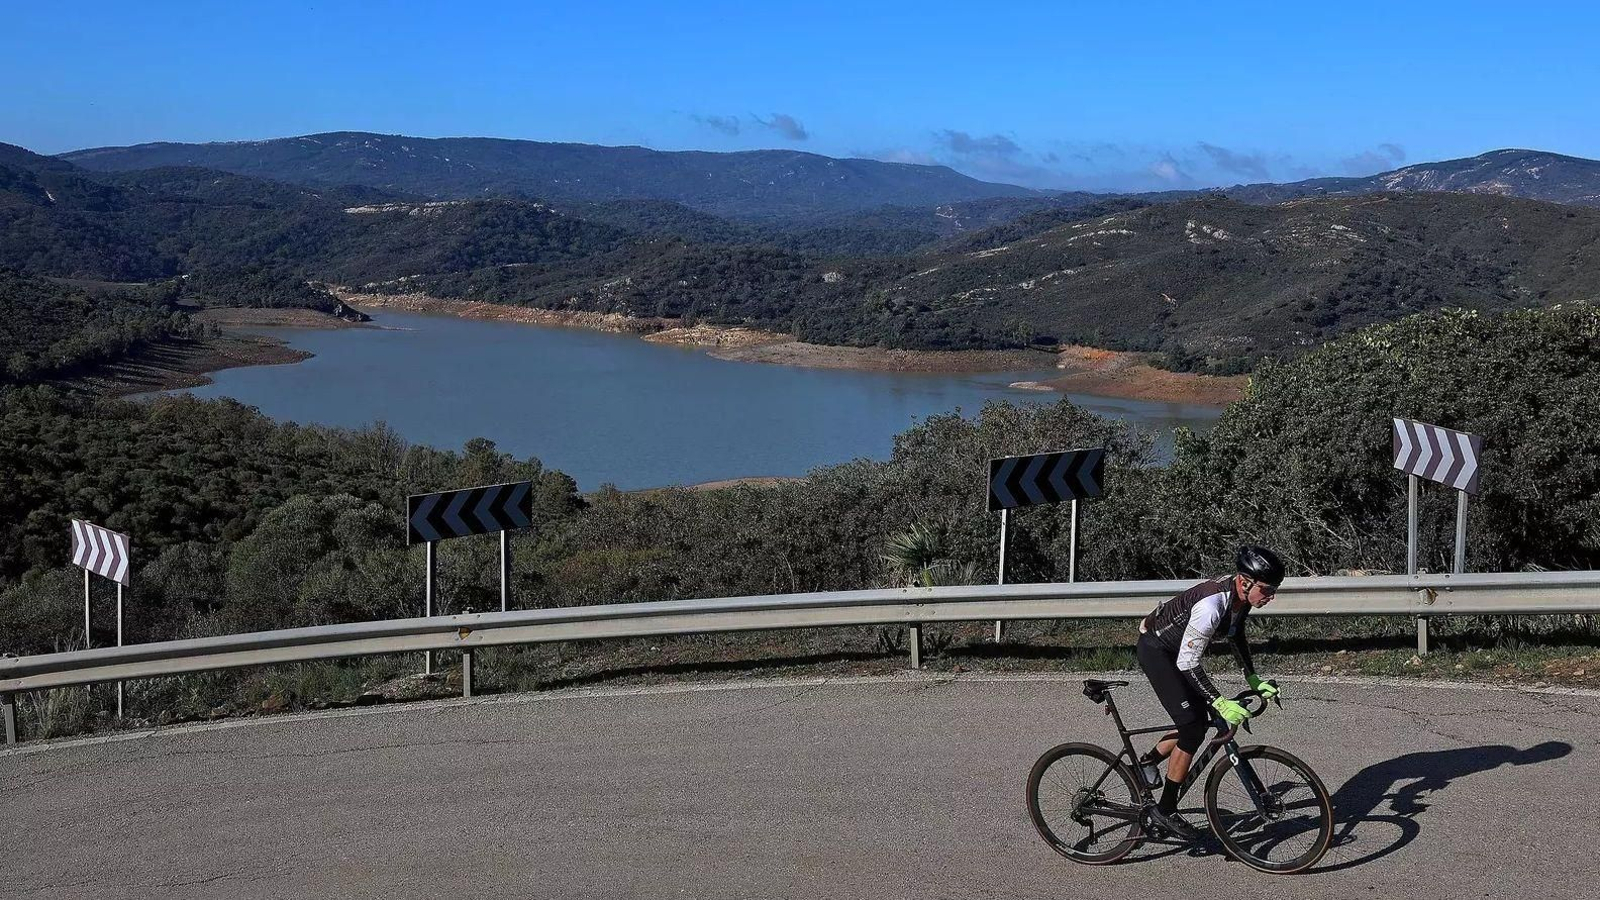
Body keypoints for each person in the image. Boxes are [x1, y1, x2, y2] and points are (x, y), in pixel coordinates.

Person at [1135, 545, 1284, 839]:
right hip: (1157, 649)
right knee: (1192, 727)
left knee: (1199, 723)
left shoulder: (1241, 597)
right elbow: (1188, 662)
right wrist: (1219, 701)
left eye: (1274, 590)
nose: (1271, 597)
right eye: (1267, 590)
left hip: (1179, 651)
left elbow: (1235, 634)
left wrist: (1253, 678)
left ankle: (1148, 761)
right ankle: (1166, 812)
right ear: (1245, 581)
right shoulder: (1212, 605)